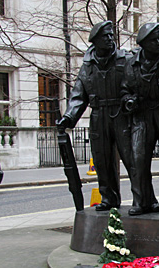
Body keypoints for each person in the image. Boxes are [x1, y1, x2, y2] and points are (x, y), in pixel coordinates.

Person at [57, 21, 141, 211]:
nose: (111, 39)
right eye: (106, 36)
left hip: (121, 114)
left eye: (112, 35)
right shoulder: (87, 66)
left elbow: (137, 83)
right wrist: (69, 117)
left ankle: (141, 199)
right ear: (95, 41)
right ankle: (108, 198)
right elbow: (79, 95)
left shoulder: (125, 58)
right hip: (98, 116)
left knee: (132, 159)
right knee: (102, 161)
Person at [121, 23, 159, 216]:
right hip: (141, 115)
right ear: (143, 44)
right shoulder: (132, 63)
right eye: (154, 40)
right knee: (138, 158)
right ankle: (142, 201)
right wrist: (129, 100)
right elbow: (125, 90)